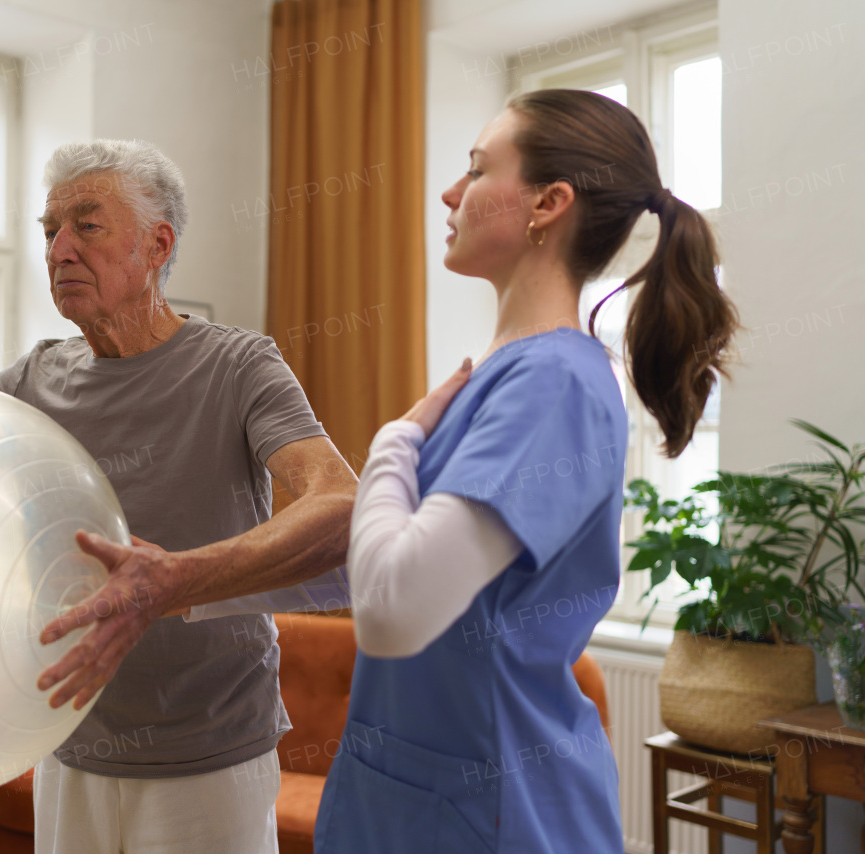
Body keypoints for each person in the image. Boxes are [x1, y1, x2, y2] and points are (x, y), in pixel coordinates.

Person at [306, 89, 739, 852]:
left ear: (549, 203)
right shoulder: (508, 377)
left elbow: (392, 607)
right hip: (416, 791)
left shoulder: (554, 386)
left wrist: (390, 446)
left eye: (475, 171)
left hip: (499, 808)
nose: (449, 193)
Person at [0, 139, 358, 854]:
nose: (60, 248)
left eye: (87, 226)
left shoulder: (239, 364)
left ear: (157, 245)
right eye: (49, 230)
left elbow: (339, 505)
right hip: (70, 745)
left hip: (210, 755)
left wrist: (174, 581)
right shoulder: (33, 380)